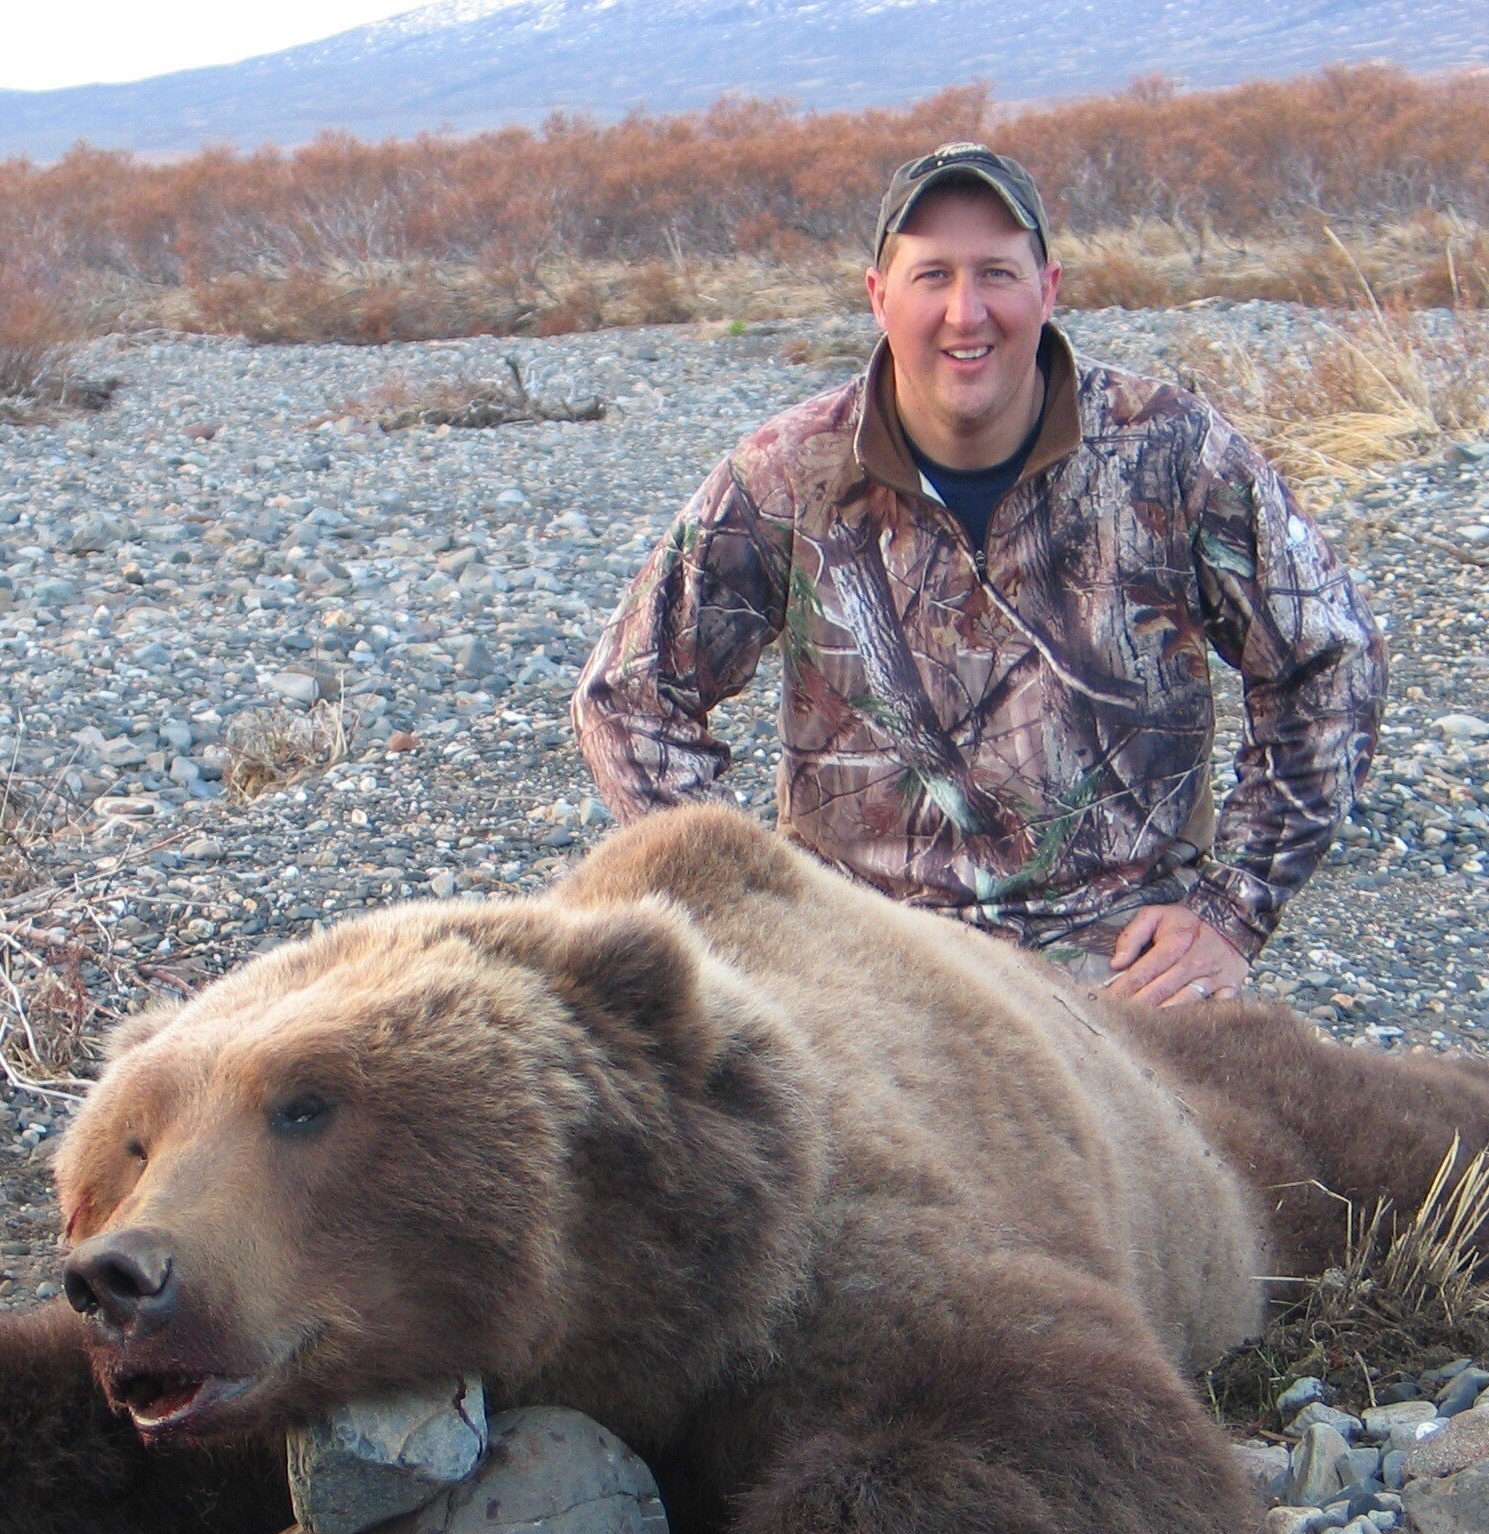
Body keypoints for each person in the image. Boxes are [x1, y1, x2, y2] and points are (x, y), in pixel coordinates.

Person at [572, 141, 1387, 1005]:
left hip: (1124, 969)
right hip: (864, 972)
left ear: (1049, 288)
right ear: (878, 298)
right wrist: (754, 916)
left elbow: (1332, 662)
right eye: (932, 277)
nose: (967, 313)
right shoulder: (789, 472)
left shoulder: (1175, 453)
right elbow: (627, 697)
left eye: (997, 273)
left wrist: (1231, 912)